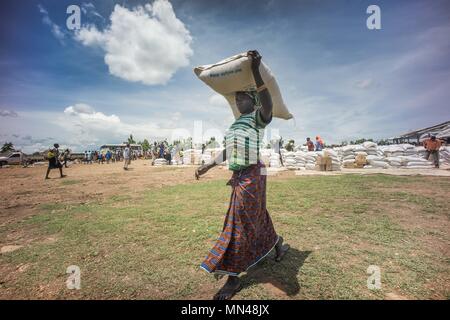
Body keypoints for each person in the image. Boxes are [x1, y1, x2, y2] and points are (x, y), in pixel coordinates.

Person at [195, 50, 289, 300]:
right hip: (241, 177)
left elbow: (268, 102)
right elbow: (227, 151)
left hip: (253, 175)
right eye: (235, 99)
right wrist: (206, 166)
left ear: (252, 99)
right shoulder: (236, 125)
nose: (237, 101)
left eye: (241, 98)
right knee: (255, 215)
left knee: (238, 222)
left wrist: (256, 70)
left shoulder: (259, 117)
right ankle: (278, 244)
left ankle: (233, 278)